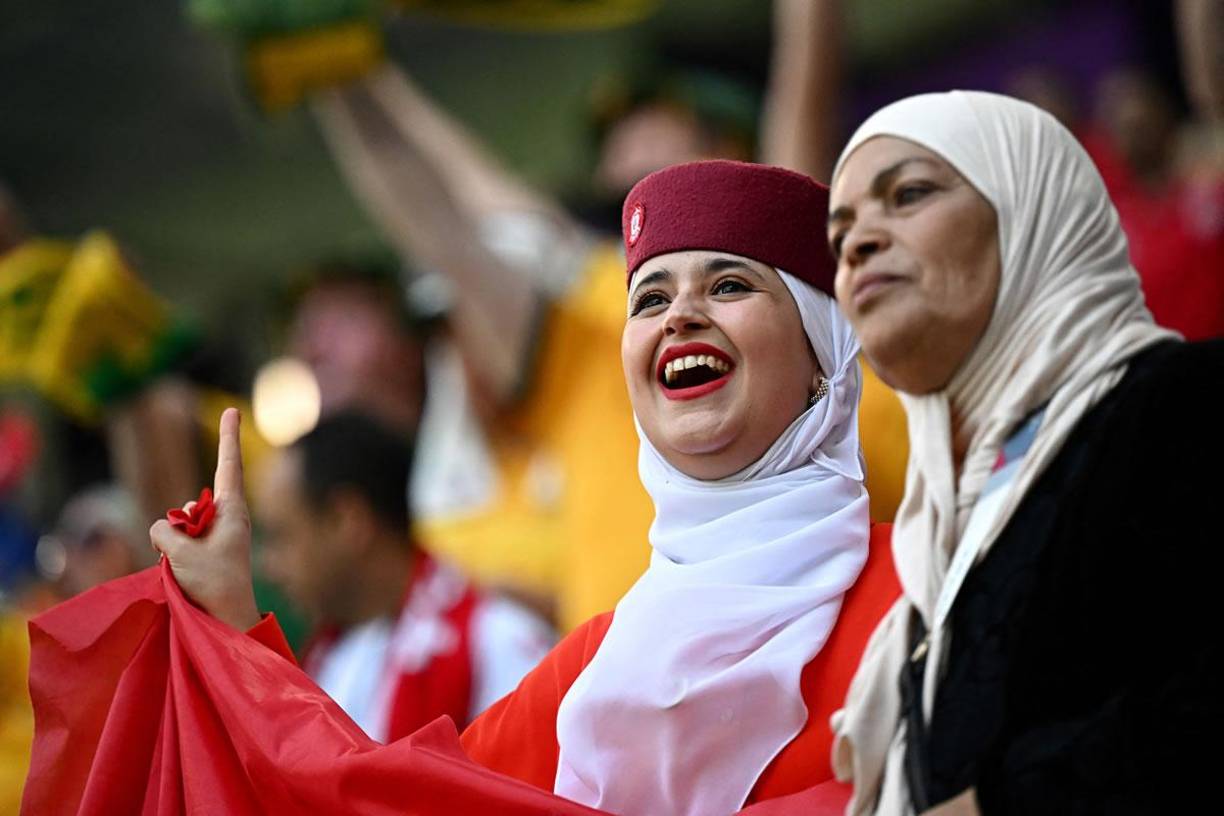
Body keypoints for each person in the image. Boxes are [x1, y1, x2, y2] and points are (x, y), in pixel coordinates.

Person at [25, 160, 900, 816]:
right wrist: (228, 623)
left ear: (825, 352)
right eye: (649, 298)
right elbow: (374, 802)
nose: (679, 316)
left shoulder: (929, 595)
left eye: (732, 284)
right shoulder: (594, 671)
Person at [825, 91, 1222, 814]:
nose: (856, 244)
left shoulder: (1187, 404)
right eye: (839, 235)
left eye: (907, 194)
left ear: (1032, 211)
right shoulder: (932, 539)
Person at [255, 411, 553, 740]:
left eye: (280, 536)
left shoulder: (494, 638)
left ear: (346, 520)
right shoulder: (323, 664)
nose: (269, 566)